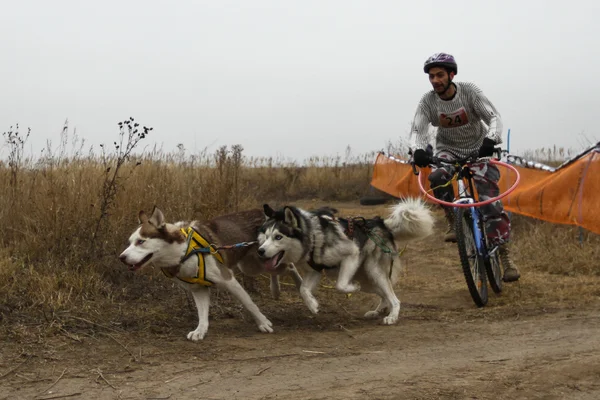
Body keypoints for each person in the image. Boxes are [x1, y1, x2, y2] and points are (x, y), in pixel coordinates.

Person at [408, 52, 520, 282]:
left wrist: (491, 139)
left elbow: (493, 117)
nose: (435, 80)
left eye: (440, 75)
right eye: (431, 77)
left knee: (490, 202)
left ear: (452, 74)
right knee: (437, 177)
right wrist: (418, 149)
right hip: (447, 150)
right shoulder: (428, 101)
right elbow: (418, 129)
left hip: (479, 149)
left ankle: (505, 256)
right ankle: (453, 220)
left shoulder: (469, 91)